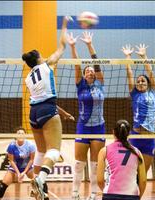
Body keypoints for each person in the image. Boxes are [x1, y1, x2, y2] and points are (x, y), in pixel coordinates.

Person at [22, 15, 72, 200]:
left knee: (41, 151)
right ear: (39, 59)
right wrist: (64, 25)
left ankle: (36, 185)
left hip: (33, 113)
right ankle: (41, 179)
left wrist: (63, 113)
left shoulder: (28, 78)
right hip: (48, 109)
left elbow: (42, 98)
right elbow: (62, 47)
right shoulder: (46, 65)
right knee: (54, 150)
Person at [67, 31, 105, 200]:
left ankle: (94, 194)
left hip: (98, 127)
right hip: (83, 126)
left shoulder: (100, 83)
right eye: (87, 71)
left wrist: (89, 45)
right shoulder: (80, 86)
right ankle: (75, 193)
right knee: (78, 163)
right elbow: (76, 65)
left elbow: (97, 64)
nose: (90, 72)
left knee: (96, 164)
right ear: (83, 75)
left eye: (91, 71)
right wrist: (73, 46)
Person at [121, 44, 155, 173]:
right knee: (130, 171)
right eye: (139, 81)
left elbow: (150, 73)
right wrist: (127, 57)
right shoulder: (134, 93)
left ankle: (138, 194)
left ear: (148, 84)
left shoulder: (153, 92)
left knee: (143, 173)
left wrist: (144, 56)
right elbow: (129, 74)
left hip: (149, 139)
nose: (141, 83)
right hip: (136, 136)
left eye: (143, 81)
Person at [97, 119, 146, 200]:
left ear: (113, 132)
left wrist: (106, 192)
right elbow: (143, 181)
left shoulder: (104, 151)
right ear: (129, 133)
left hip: (110, 195)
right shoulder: (137, 152)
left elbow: (99, 180)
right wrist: (138, 197)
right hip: (132, 195)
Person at [0, 127, 35, 200]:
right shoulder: (12, 146)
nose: (20, 135)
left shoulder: (30, 145)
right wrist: (18, 173)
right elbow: (11, 161)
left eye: (22, 133)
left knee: (37, 182)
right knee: (2, 185)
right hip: (15, 167)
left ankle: (39, 194)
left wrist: (24, 173)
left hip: (27, 167)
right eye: (19, 133)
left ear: (25, 135)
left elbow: (31, 160)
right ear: (16, 135)